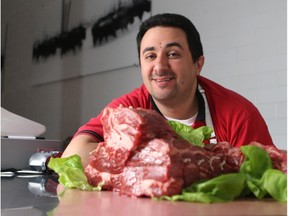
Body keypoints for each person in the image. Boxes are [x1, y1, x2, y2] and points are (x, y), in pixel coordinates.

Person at [61, 13, 275, 168]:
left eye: (172, 54)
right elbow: (73, 156)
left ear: (197, 64)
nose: (160, 66)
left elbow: (266, 178)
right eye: (150, 56)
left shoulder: (238, 114)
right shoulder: (128, 110)